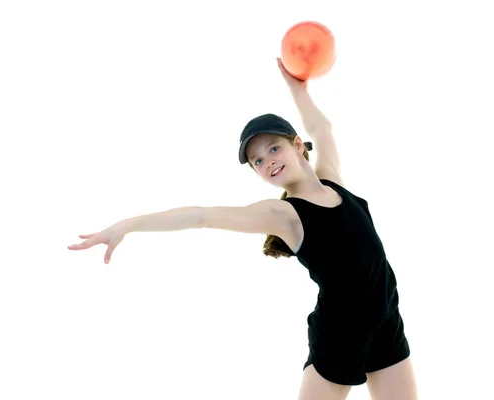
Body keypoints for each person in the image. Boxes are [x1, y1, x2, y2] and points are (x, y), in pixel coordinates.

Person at [68, 58, 418, 400]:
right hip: (341, 332)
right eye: (258, 161)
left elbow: (321, 129)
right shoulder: (284, 214)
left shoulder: (333, 181)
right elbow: (202, 216)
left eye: (274, 148)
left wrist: (296, 87)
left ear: (297, 146)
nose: (268, 161)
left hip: (386, 315)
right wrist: (129, 225)